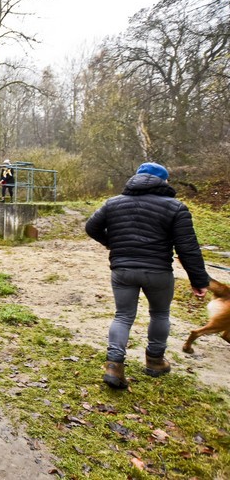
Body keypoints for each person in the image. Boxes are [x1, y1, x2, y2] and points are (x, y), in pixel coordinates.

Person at [85, 162, 210, 390]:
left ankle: (114, 365)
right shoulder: (175, 207)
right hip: (159, 272)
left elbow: (91, 227)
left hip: (123, 270)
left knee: (123, 316)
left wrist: (114, 244)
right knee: (160, 314)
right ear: (164, 182)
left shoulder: (113, 203)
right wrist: (199, 281)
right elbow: (188, 247)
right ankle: (155, 362)